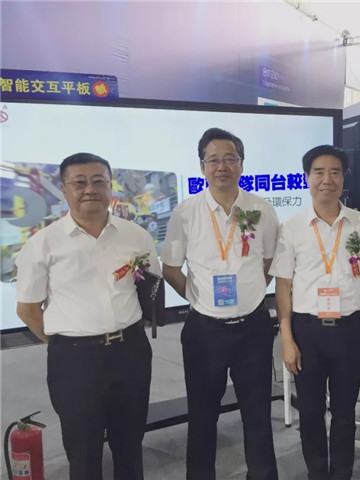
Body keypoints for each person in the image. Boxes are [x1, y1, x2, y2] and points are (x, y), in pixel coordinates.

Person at [16, 152, 161, 480]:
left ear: (110, 186)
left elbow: (149, 286)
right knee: (83, 451)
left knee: (130, 444)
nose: (90, 189)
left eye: (98, 181)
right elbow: (27, 309)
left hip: (131, 352)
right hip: (75, 361)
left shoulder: (135, 235)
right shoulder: (44, 244)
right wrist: (66, 344)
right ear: (64, 190)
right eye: (79, 182)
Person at [161, 128, 279, 480]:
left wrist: (250, 292)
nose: (222, 166)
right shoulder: (185, 213)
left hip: (253, 328)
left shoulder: (261, 210)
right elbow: (171, 268)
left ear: (242, 164)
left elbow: (269, 262)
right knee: (202, 415)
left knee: (257, 413)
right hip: (204, 331)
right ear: (202, 167)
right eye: (213, 160)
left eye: (230, 158)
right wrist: (200, 299)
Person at [270, 145, 360, 480]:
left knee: (345, 414)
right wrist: (287, 339)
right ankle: (317, 473)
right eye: (319, 172)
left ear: (344, 178)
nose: (327, 179)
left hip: (349, 331)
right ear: (307, 178)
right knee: (311, 413)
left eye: (335, 172)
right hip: (307, 331)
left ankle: (341, 474)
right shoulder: (292, 228)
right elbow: (283, 287)